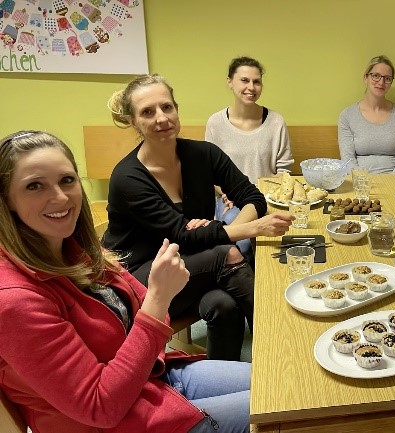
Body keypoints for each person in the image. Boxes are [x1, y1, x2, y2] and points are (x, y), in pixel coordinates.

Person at [0, 131, 250, 433]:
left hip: (149, 381)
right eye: (34, 186)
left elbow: (148, 308)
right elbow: (100, 407)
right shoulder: (15, 301)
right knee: (283, 405)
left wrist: (153, 311)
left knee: (278, 383)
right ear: (7, 201)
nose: (61, 197)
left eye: (67, 180)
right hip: (121, 420)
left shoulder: (74, 249)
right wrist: (157, 301)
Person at [103, 74, 293, 361]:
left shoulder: (203, 154)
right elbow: (183, 235)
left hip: (191, 262)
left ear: (176, 109)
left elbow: (252, 197)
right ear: (133, 122)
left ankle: (226, 377)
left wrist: (215, 233)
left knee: (223, 304)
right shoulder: (128, 177)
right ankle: (282, 347)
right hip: (139, 278)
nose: (161, 118)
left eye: (167, 107)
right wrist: (250, 229)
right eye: (147, 112)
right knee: (226, 255)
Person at [205, 56, 294, 251]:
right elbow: (209, 172)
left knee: (284, 240)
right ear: (230, 81)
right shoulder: (215, 123)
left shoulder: (276, 122)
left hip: (269, 197)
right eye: (244, 80)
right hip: (231, 199)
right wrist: (228, 193)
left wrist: (266, 194)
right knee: (241, 243)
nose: (251, 87)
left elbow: (284, 170)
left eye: (257, 82)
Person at [338, 54, 395, 173]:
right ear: (365, 78)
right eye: (376, 76)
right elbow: (348, 160)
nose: (381, 82)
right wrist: (365, 182)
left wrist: (389, 184)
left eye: (387, 78)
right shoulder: (347, 116)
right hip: (360, 182)